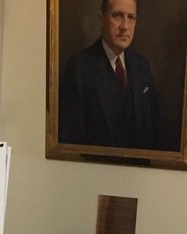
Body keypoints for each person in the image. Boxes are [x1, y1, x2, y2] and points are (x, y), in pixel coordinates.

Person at [58, 0, 161, 151]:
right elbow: (71, 139)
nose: (125, 26)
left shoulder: (142, 67)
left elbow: (153, 131)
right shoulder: (79, 68)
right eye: (117, 15)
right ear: (101, 19)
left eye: (131, 17)